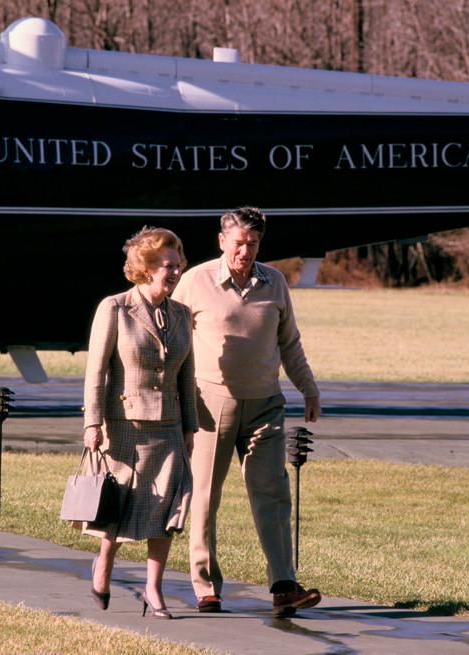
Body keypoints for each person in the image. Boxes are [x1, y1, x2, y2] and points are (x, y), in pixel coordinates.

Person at [172, 206, 322, 617]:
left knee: (273, 494)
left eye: (253, 243)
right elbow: (169, 339)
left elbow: (289, 342)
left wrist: (309, 389)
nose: (245, 251)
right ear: (222, 241)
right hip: (209, 404)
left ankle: (284, 586)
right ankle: (206, 588)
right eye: (238, 243)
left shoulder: (274, 282)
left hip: (266, 404)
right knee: (204, 497)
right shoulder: (195, 282)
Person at [80, 226, 197, 620]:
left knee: (168, 508)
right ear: (147, 268)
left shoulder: (181, 313)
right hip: (124, 425)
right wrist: (92, 423)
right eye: (168, 265)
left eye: (178, 264)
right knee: (119, 508)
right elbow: (95, 372)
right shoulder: (114, 307)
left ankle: (154, 588)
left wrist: (190, 428)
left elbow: (186, 375)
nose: (176, 271)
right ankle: (104, 563)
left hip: (169, 427)